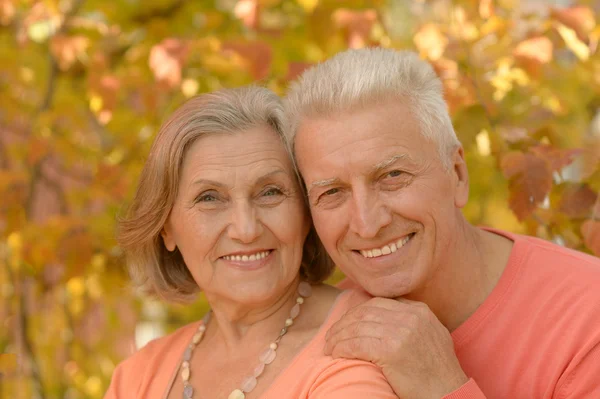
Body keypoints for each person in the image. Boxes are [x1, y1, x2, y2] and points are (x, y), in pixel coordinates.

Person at [284, 48, 600, 398]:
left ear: (457, 174)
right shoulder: (314, 330)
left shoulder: (588, 322)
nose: (367, 223)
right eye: (331, 193)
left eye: (392, 175)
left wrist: (441, 386)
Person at [104, 86, 397, 399]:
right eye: (210, 198)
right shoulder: (136, 378)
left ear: (306, 211)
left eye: (270, 192)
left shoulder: (363, 342)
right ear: (166, 229)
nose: (246, 230)